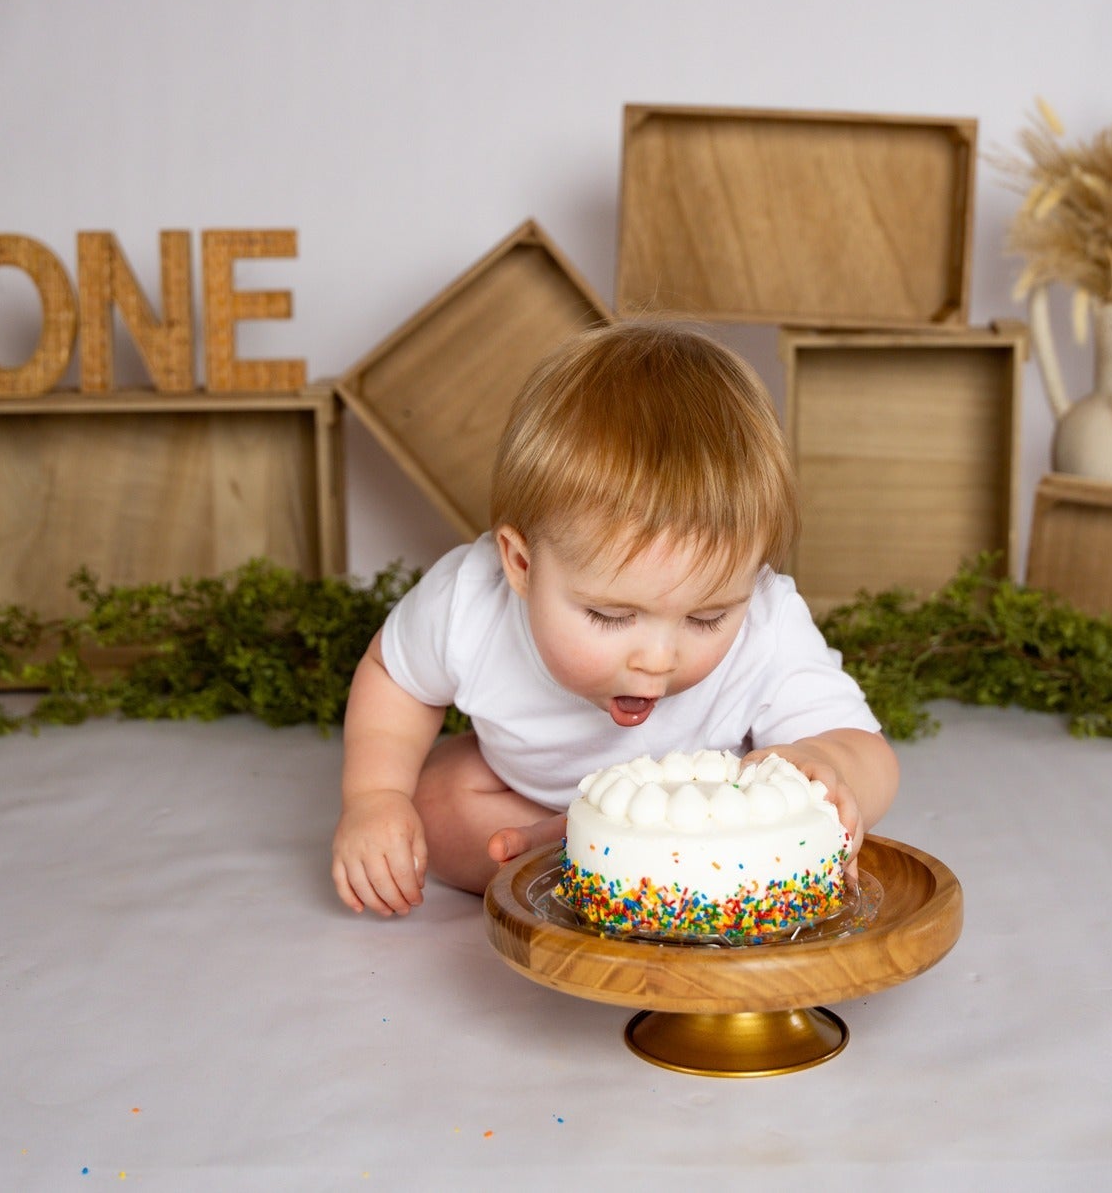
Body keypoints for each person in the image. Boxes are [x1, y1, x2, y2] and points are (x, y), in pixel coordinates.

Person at [331, 319, 897, 917]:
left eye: (706, 618)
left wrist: (829, 766)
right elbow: (395, 677)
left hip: (706, 840)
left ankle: (610, 872)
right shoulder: (471, 600)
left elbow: (871, 755)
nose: (657, 659)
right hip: (526, 805)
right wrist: (373, 796)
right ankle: (570, 855)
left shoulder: (767, 620)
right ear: (521, 565)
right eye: (609, 615)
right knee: (435, 796)